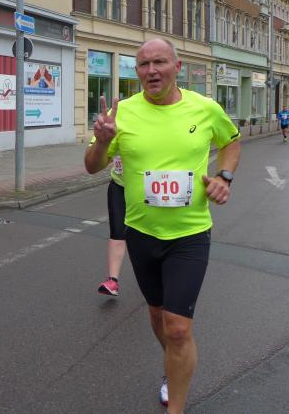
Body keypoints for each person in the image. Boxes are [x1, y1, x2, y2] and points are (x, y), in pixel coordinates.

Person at [84, 38, 241, 414]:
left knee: (178, 327)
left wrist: (224, 176)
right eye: (143, 64)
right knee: (157, 316)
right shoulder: (122, 113)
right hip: (141, 233)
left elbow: (232, 143)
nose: (152, 70)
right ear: (136, 71)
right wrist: (102, 142)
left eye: (160, 62)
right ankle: (174, 366)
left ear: (177, 66)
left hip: (190, 235)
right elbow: (92, 166)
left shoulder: (205, 108)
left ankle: (176, 405)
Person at [96, 151, 127, 297]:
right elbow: (97, 159)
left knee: (147, 234)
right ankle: (112, 281)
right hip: (119, 185)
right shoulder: (112, 133)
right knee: (117, 231)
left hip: (146, 188)